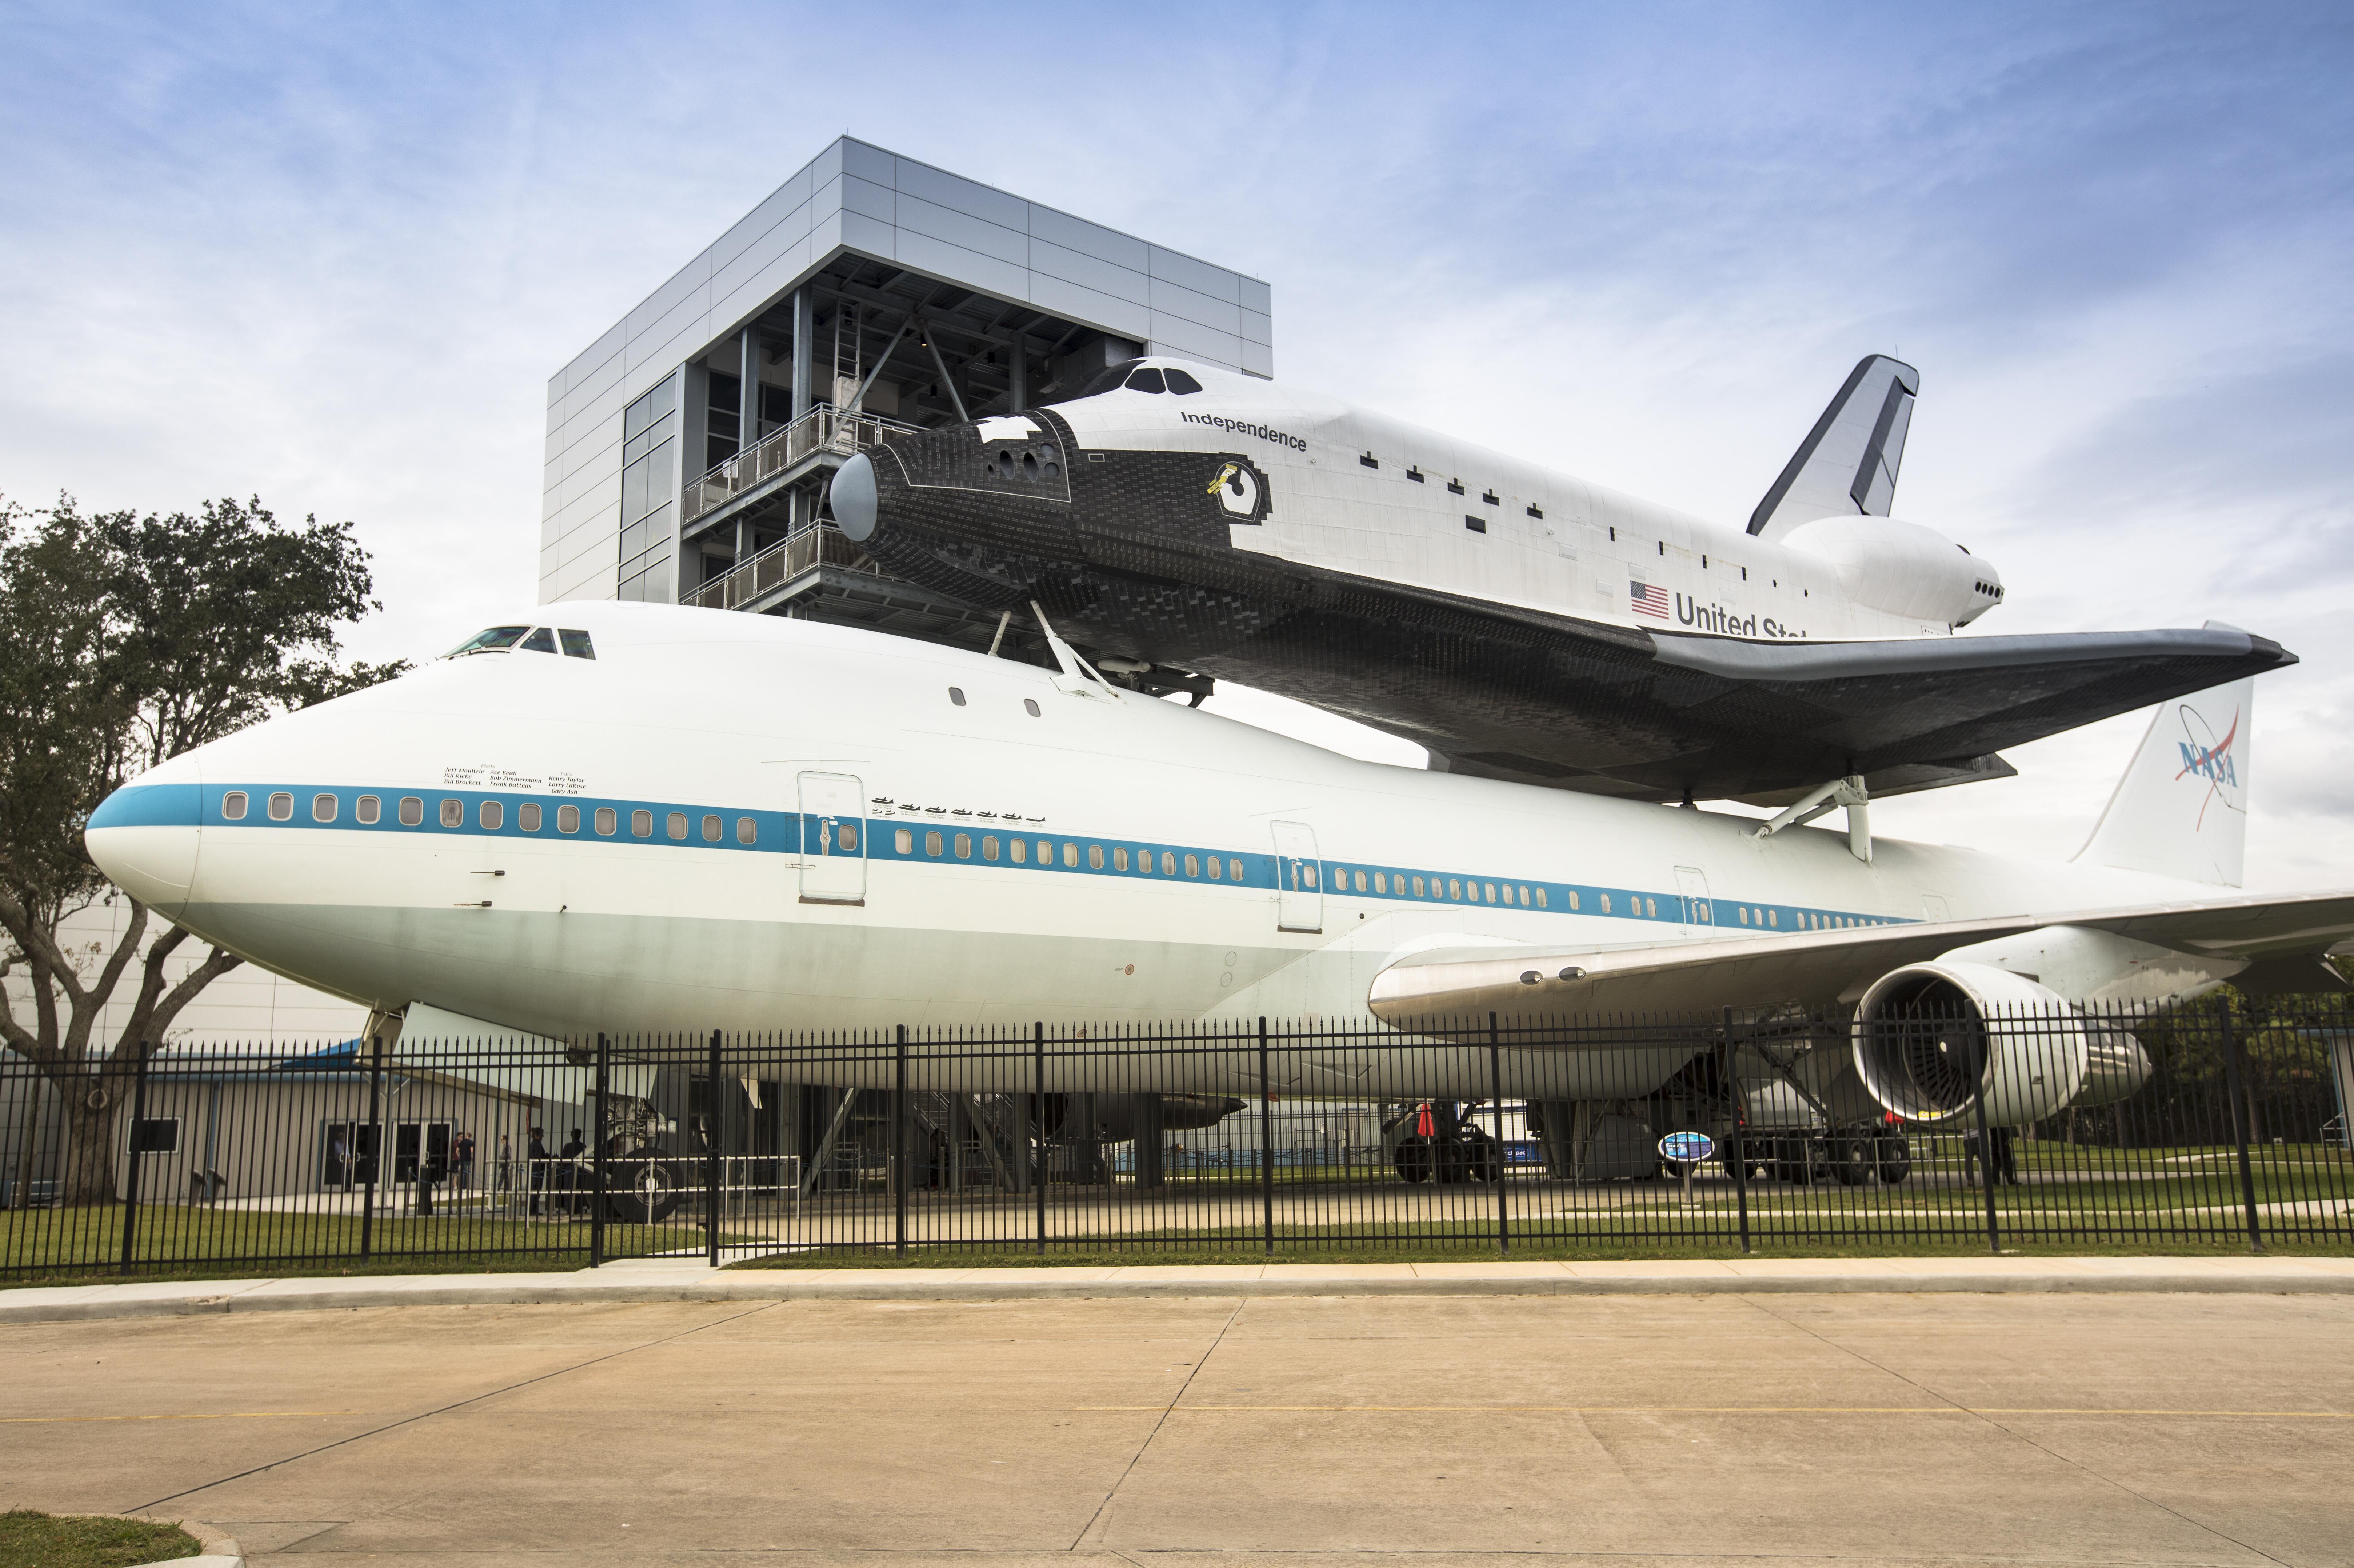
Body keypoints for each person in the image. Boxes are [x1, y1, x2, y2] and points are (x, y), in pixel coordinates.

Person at [560, 1127, 587, 1216]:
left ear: (572, 1136)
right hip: (580, 1170)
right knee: (580, 1190)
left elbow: (563, 1159)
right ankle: (579, 1209)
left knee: (569, 1190)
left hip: (569, 1170)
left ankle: (569, 1209)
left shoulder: (568, 1146)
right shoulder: (583, 1146)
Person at [528, 1126, 549, 1216]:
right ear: (537, 1135)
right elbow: (539, 1157)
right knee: (536, 1189)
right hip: (538, 1170)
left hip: (535, 1170)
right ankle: (533, 1210)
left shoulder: (533, 1144)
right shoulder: (537, 1144)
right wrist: (546, 1156)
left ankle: (534, 1209)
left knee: (535, 1189)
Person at [451, 1129, 476, 1194]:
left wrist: (460, 1157)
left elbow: (457, 1151)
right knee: (466, 1173)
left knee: (461, 1173)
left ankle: (460, 1187)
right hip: (467, 1160)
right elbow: (472, 1150)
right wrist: (472, 1157)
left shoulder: (461, 1143)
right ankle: (465, 1188)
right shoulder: (471, 1143)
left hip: (461, 1160)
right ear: (470, 1137)